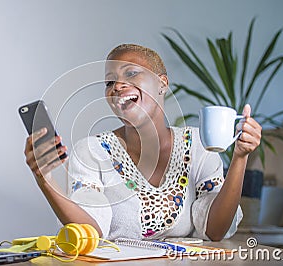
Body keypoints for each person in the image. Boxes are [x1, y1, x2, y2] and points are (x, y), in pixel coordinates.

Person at [24, 44, 262, 241]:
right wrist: (45, 180)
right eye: (109, 82)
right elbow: (91, 233)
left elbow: (215, 230)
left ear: (162, 84)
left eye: (130, 73)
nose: (117, 86)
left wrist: (241, 156)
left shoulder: (199, 146)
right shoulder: (92, 151)